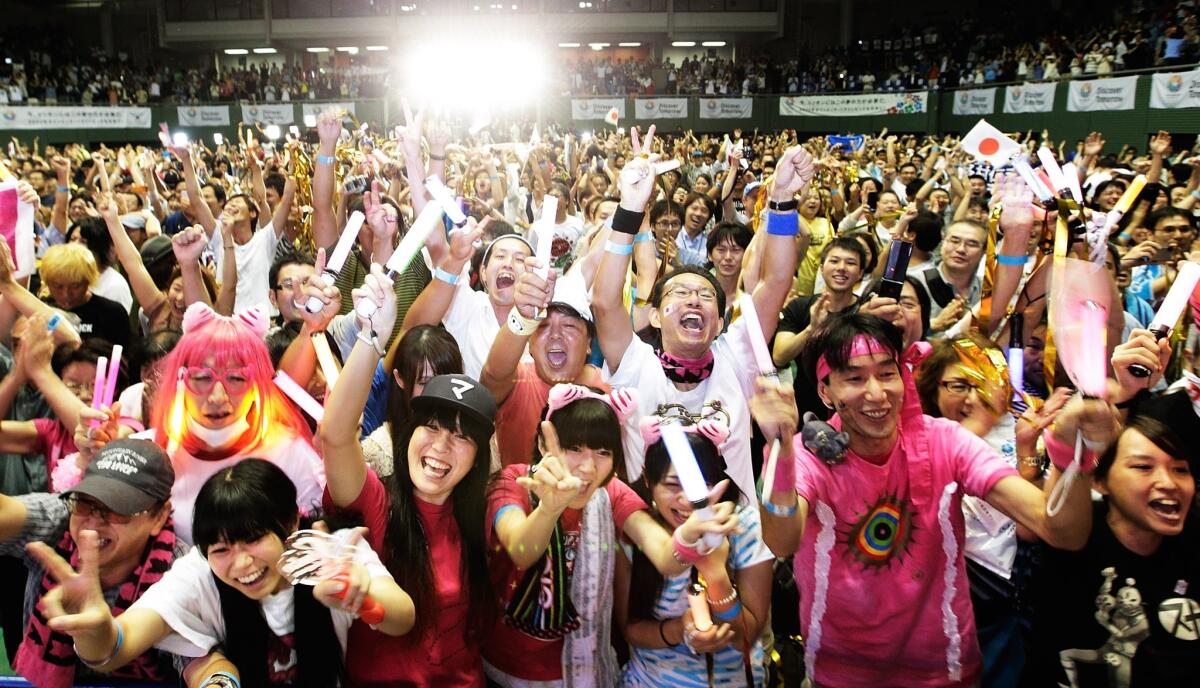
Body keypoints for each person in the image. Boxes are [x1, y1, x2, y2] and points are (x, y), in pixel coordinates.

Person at [760, 312, 1101, 687]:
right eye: (854, 378)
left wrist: (1073, 454)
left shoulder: (946, 441)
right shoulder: (809, 456)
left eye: (887, 373)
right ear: (825, 391)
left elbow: (1060, 530)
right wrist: (781, 447)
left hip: (946, 669)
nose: (876, 393)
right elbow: (782, 539)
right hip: (841, 673)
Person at [30, 458, 413, 687]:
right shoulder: (198, 574)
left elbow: (402, 618)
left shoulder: (331, 552)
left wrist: (363, 599)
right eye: (222, 549)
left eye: (253, 539)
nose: (242, 564)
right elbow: (116, 647)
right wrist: (97, 629)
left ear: (292, 520)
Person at [594, 127, 812, 503]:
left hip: (733, 538)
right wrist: (630, 209)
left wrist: (780, 200)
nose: (694, 299)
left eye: (706, 296)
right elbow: (604, 301)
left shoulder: (737, 354)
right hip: (651, 539)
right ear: (657, 317)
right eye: (680, 292)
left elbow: (776, 281)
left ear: (720, 321)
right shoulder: (634, 362)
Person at [484, 385, 738, 685]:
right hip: (508, 669)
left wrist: (690, 537)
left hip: (587, 672)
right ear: (543, 443)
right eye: (574, 448)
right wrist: (549, 509)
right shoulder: (513, 482)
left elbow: (666, 558)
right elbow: (521, 550)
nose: (588, 467)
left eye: (603, 452)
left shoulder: (611, 493)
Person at [319, 265, 498, 687]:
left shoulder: (480, 519)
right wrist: (371, 338)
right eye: (431, 427)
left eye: (460, 437)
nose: (439, 447)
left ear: (477, 458)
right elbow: (336, 434)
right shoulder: (377, 504)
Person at [76, 302, 325, 545]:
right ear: (181, 379)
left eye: (236, 378)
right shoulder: (148, 453)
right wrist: (95, 460)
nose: (218, 397)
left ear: (257, 384)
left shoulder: (290, 453)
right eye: (203, 377)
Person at [0, 439, 181, 687]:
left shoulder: (180, 571)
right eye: (86, 502)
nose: (94, 522)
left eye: (119, 508)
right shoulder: (62, 519)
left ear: (159, 516)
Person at [616, 415, 773, 687]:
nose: (688, 499)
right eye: (672, 485)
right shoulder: (637, 531)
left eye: (702, 484)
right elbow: (631, 629)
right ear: (649, 480)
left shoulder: (743, 526)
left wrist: (716, 575)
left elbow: (744, 637)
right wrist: (681, 630)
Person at [481, 260, 605, 467]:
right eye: (544, 325)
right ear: (529, 343)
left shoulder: (611, 389)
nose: (556, 335)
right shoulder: (517, 381)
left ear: (589, 343)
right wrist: (522, 317)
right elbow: (493, 376)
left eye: (569, 326)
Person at [37, 243, 131, 348]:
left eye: (75, 286)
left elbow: (123, 359)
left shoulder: (112, 313)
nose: (66, 294)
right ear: (47, 283)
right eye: (58, 286)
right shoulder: (39, 310)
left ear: (88, 281)